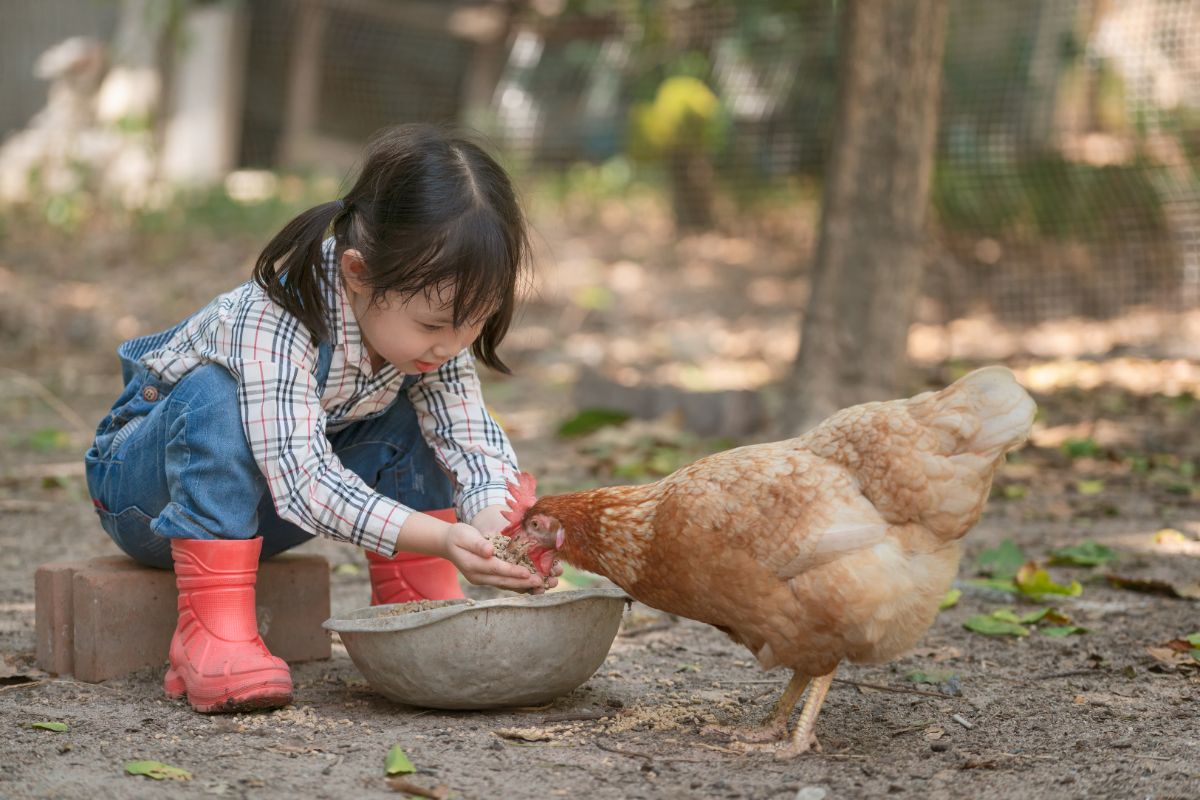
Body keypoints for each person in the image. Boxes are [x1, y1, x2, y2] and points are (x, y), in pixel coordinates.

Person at [84, 124, 556, 714]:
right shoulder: (270, 318)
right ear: (358, 273)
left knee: (420, 415)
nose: (453, 344)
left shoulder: (426, 337)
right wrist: (441, 537)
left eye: (475, 322)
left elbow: (468, 441)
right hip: (148, 500)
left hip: (264, 511)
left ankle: (415, 597)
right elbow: (304, 480)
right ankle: (212, 629)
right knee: (213, 395)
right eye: (436, 325)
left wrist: (494, 535)